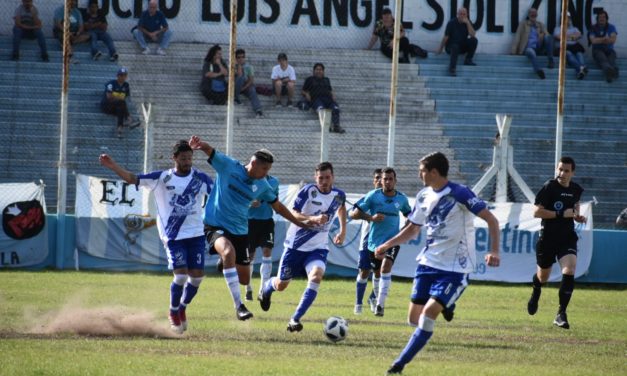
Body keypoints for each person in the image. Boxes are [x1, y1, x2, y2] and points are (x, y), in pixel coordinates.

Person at [373, 152, 500, 375]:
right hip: (428, 263)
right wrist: (387, 245)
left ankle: (398, 365)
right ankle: (447, 305)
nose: (418, 173)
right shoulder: (423, 195)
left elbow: (491, 219)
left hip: (455, 268)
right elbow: (412, 229)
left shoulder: (460, 193)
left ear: (434, 172)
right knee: (414, 318)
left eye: (421, 170)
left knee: (429, 312)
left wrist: (494, 250)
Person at [188, 135, 308, 321]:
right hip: (214, 223)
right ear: (253, 163)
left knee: (244, 279)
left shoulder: (263, 185)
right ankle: (239, 307)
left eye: (268, 169)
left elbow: (277, 206)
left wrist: (297, 221)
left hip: (240, 231)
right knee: (228, 252)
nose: (266, 172)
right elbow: (211, 152)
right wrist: (200, 145)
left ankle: (228, 262)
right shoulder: (229, 166)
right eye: (264, 168)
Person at [99, 140, 213, 334]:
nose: (187, 161)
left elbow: (220, 194)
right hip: (173, 235)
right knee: (181, 275)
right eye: (183, 158)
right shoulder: (161, 178)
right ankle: (173, 311)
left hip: (196, 234)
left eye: (190, 158)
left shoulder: (201, 178)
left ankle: (182, 308)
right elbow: (132, 178)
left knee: (197, 278)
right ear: (174, 158)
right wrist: (113, 166)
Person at [258, 162, 347, 332]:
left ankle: (295, 319)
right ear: (316, 178)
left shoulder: (339, 195)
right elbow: (293, 212)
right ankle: (267, 288)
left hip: (318, 248)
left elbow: (342, 208)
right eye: (321, 178)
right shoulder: (308, 191)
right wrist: (312, 219)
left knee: (316, 277)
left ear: (333, 177)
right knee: (282, 284)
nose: (324, 181)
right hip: (296, 246)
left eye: (327, 177)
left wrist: (342, 230)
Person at [527, 156, 586, 330]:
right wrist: (561, 214)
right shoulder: (549, 187)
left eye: (566, 170)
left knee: (569, 269)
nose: (562, 173)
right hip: (548, 238)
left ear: (572, 173)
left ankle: (561, 314)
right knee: (543, 277)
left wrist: (577, 216)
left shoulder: (576, 189)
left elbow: (574, 210)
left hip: (566, 237)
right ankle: (536, 289)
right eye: (560, 169)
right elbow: (537, 212)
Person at [350, 167, 411, 317]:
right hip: (373, 242)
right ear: (380, 181)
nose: (388, 182)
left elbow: (410, 215)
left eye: (391, 179)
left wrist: (405, 229)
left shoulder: (402, 199)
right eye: (385, 179)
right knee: (375, 274)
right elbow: (354, 214)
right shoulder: (373, 196)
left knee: (386, 267)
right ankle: (370, 300)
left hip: (392, 241)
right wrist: (371, 218)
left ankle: (380, 306)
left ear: (395, 181)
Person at [243, 174, 279, 301]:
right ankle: (248, 288)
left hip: (267, 222)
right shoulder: (248, 180)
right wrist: (249, 203)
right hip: (250, 222)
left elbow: (276, 200)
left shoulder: (274, 181)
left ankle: (263, 290)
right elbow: (239, 199)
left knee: (267, 251)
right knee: (250, 256)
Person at [352, 168, 382, 314]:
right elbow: (353, 213)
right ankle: (358, 304)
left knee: (382, 272)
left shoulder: (393, 198)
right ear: (373, 180)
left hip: (385, 240)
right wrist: (370, 218)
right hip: (367, 240)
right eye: (377, 178)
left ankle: (373, 297)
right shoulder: (368, 197)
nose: (379, 181)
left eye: (382, 178)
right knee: (364, 271)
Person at [511, 7, 555, 80]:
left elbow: (547, 35)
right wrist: (513, 51)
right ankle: (538, 70)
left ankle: (551, 60)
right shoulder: (523, 24)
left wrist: (542, 35)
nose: (533, 14)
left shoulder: (540, 24)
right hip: (529, 48)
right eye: (531, 12)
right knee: (531, 52)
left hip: (539, 47)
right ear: (528, 15)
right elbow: (517, 36)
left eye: (535, 13)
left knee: (548, 37)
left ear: (537, 14)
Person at [302, 63, 345, 134]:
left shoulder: (326, 79)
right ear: (314, 71)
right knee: (321, 110)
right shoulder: (309, 79)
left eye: (321, 70)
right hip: (316, 100)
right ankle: (326, 127)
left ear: (323, 71)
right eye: (317, 69)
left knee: (336, 109)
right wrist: (306, 94)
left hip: (328, 99)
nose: (319, 71)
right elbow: (303, 91)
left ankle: (336, 126)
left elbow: (330, 90)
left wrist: (333, 94)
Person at [437, 7, 478, 76]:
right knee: (455, 46)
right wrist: (440, 48)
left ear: (467, 15)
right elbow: (446, 37)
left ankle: (468, 60)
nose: (462, 16)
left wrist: (468, 23)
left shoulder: (467, 22)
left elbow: (472, 34)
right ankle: (452, 68)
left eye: (464, 14)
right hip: (451, 47)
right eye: (460, 14)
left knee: (474, 40)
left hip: (461, 46)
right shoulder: (451, 23)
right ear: (457, 14)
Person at [101, 67, 141, 138]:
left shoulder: (126, 85)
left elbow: (125, 97)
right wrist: (119, 98)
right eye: (121, 75)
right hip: (106, 106)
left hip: (117, 107)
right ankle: (129, 119)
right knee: (121, 102)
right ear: (117, 76)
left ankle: (120, 130)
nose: (123, 77)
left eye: (124, 75)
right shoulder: (111, 84)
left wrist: (117, 98)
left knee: (120, 109)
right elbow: (109, 96)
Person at [588, 10, 619, 83]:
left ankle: (609, 75)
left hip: (609, 50)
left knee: (611, 60)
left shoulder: (611, 27)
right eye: (600, 17)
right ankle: (613, 71)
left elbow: (613, 40)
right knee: (603, 59)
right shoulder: (593, 27)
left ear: (607, 18)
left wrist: (599, 39)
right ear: (597, 19)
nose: (602, 19)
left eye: (604, 17)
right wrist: (605, 39)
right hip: (597, 50)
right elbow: (593, 41)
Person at [553, 12, 587, 80]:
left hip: (574, 47)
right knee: (568, 54)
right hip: (563, 48)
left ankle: (582, 69)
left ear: (570, 19)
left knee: (579, 54)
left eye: (568, 18)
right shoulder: (557, 28)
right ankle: (581, 68)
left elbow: (579, 35)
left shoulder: (574, 28)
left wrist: (565, 36)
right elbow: (558, 36)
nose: (566, 20)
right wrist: (572, 37)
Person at [234, 48, 264, 118]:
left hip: (245, 86)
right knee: (240, 78)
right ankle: (236, 98)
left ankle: (258, 111)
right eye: (239, 57)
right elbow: (239, 75)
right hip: (235, 86)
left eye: (243, 57)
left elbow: (251, 80)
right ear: (235, 58)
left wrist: (243, 88)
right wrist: (238, 65)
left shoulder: (249, 67)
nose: (241, 59)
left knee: (252, 90)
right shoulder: (233, 66)